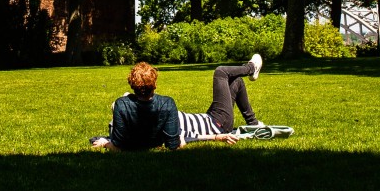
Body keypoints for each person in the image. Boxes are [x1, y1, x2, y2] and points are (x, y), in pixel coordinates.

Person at [92, 55, 265, 151]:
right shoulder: (165, 106)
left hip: (207, 118)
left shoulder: (136, 117)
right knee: (221, 72)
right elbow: (179, 140)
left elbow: (120, 141)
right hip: (217, 123)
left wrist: (106, 142)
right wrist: (216, 137)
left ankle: (253, 122)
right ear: (155, 85)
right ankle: (250, 67)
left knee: (235, 83)